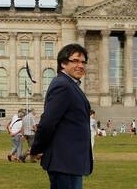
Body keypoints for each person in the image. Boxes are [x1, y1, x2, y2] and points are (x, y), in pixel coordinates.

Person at [30, 44, 93, 189]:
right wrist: (37, 149)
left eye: (83, 62)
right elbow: (47, 122)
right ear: (63, 63)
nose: (80, 65)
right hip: (64, 162)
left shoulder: (71, 85)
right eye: (75, 61)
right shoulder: (63, 85)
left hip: (70, 162)